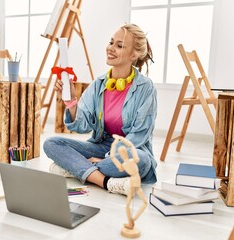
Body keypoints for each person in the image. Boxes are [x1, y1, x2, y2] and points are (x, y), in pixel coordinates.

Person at [43, 23, 157, 195]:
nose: (111, 48)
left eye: (119, 46)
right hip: (101, 146)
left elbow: (139, 135)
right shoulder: (99, 84)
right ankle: (105, 181)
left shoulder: (145, 88)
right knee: (51, 143)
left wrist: (106, 159)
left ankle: (77, 168)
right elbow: (82, 126)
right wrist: (71, 101)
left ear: (134, 54)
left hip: (130, 149)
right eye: (111, 42)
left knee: (141, 161)